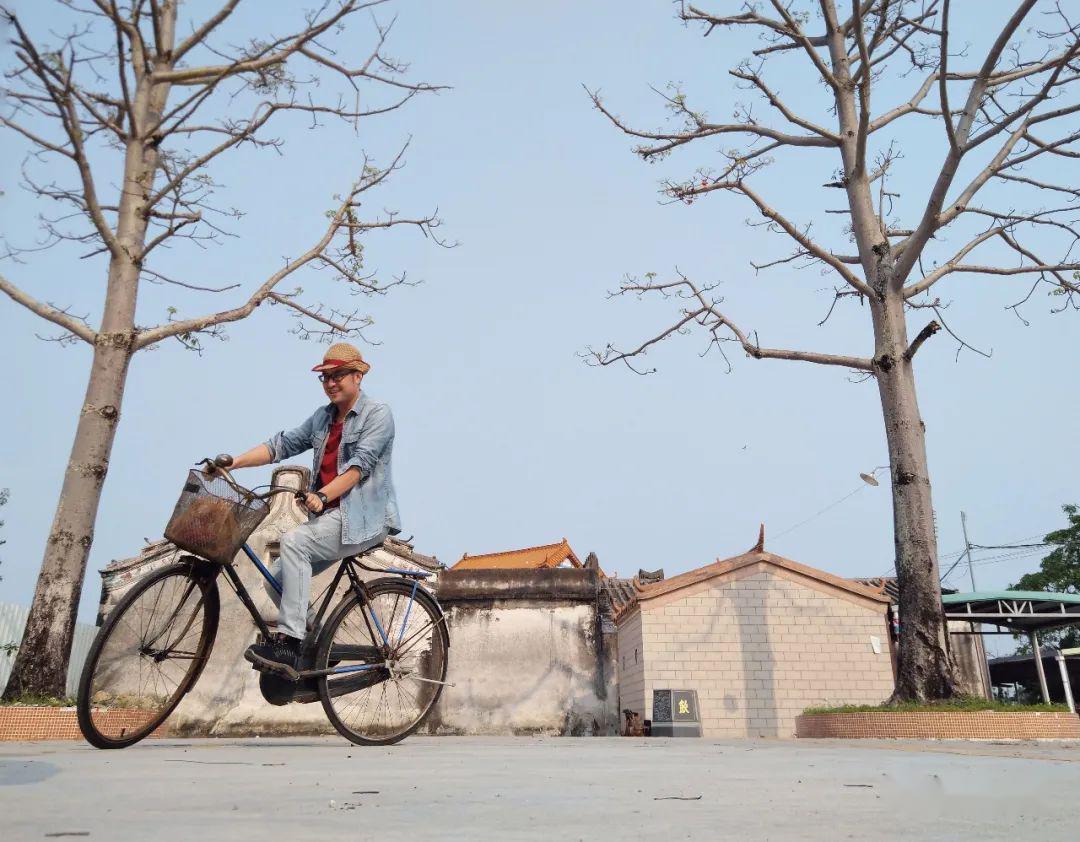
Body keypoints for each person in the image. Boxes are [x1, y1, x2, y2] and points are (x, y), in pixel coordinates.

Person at [222, 342, 400, 675]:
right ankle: (321, 644)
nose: (331, 383)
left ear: (359, 375)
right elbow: (281, 444)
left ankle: (290, 643)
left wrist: (322, 493)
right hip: (331, 519)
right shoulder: (323, 418)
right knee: (276, 580)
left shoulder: (378, 414)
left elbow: (360, 467)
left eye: (338, 376)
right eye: (325, 378)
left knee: (295, 541)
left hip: (364, 518)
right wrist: (234, 462)